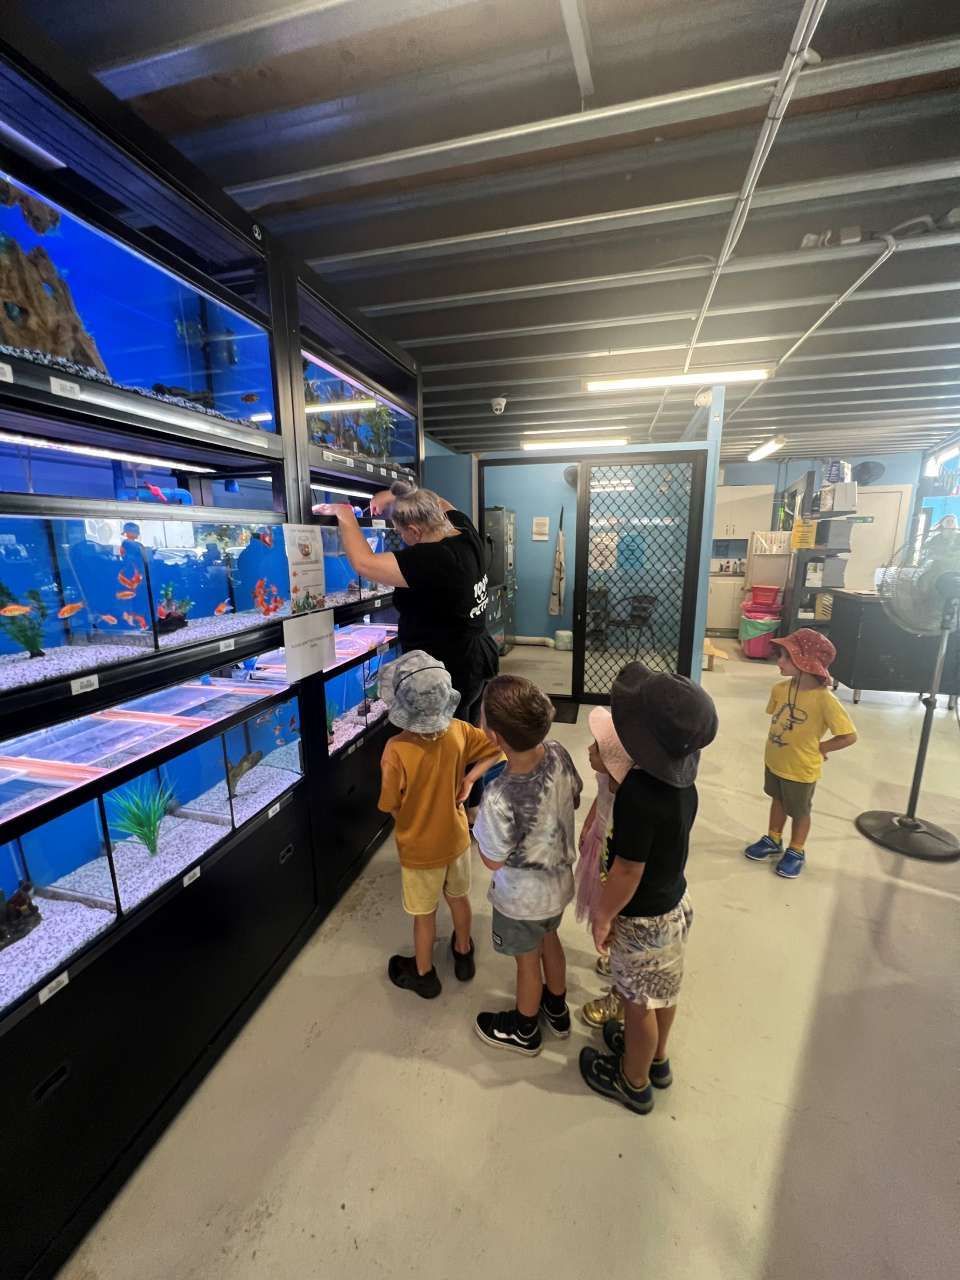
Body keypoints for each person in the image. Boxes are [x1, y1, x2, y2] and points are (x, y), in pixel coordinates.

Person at [579, 663, 718, 1116]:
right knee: (663, 993)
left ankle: (633, 1081)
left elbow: (626, 872)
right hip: (675, 905)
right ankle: (657, 1060)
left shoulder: (639, 792)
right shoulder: (683, 783)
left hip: (642, 922)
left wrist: (602, 914)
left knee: (638, 1008)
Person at [315, 482, 498, 725]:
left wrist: (345, 513)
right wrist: (396, 495)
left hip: (448, 671)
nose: (402, 538)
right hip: (477, 661)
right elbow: (439, 500)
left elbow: (364, 564)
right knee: (468, 738)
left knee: (448, 745)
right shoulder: (464, 531)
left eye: (401, 533)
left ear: (415, 531)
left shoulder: (434, 559)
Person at [378, 651, 503, 1000]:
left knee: (424, 914)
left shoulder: (395, 749)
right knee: (459, 898)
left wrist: (409, 819)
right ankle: (463, 952)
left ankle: (424, 974)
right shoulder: (459, 731)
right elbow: (498, 749)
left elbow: (390, 804)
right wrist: (470, 778)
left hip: (419, 849)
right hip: (457, 839)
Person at [472, 674, 583, 1057]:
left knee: (526, 962)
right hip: (559, 886)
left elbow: (492, 858)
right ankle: (557, 1006)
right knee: (551, 940)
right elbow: (576, 795)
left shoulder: (499, 795)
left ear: (494, 736)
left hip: (522, 901)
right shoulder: (558, 752)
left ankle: (524, 1029)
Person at [745, 628, 857, 878]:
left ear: (805, 663)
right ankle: (774, 838)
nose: (779, 661)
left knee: (800, 810)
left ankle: (797, 849)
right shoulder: (780, 689)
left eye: (785, 656)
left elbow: (849, 735)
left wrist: (823, 747)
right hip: (775, 761)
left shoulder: (825, 700)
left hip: (801, 768)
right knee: (777, 799)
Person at [575, 706, 634, 989]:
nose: (588, 749)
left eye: (597, 748)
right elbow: (600, 799)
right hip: (598, 843)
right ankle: (610, 953)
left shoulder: (628, 794)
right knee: (599, 903)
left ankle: (618, 972)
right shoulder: (605, 777)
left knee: (613, 911)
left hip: (613, 856)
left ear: (612, 761)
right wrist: (588, 824)